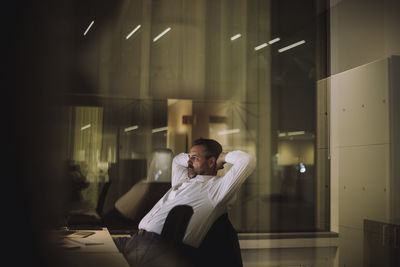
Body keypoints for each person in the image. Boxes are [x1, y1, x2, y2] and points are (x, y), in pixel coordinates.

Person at [113, 138, 256, 267]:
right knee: (93, 246)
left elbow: (247, 161)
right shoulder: (184, 180)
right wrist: (192, 157)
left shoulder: (217, 189)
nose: (188, 162)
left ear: (212, 161)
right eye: (189, 157)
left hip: (155, 247)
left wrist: (223, 157)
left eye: (194, 158)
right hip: (136, 239)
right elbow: (176, 160)